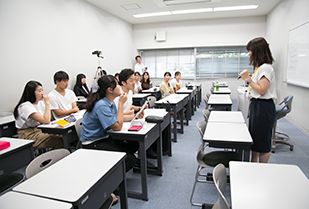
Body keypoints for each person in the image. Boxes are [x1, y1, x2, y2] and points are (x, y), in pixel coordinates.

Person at [79, 75, 136, 206]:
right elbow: (117, 126)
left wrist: (134, 116)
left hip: (103, 138)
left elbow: (116, 119)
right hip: (92, 144)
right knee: (130, 159)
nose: (119, 87)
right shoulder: (101, 105)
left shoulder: (107, 102)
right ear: (110, 90)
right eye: (116, 85)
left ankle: (111, 176)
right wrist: (121, 104)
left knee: (132, 145)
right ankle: (108, 185)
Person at [239, 37, 277, 163]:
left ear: (257, 50)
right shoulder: (260, 67)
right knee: (255, 138)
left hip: (263, 107)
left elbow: (262, 90)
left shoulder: (265, 68)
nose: (249, 53)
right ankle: (253, 164)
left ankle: (261, 168)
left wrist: (247, 79)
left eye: (250, 50)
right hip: (257, 105)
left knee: (263, 140)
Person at [114, 69, 158, 160]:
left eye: (134, 79)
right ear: (123, 82)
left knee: (148, 125)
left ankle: (146, 151)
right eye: (131, 80)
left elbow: (130, 106)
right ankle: (140, 158)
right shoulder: (117, 95)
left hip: (129, 120)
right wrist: (130, 114)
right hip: (121, 124)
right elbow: (115, 115)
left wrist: (139, 108)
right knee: (142, 130)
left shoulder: (129, 92)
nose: (134, 82)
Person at [14, 81, 63, 149]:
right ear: (31, 93)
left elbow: (46, 118)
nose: (42, 93)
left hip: (39, 130)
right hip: (29, 135)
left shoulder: (39, 103)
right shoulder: (25, 106)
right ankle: (55, 157)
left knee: (62, 135)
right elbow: (46, 120)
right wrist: (47, 103)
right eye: (39, 91)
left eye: (42, 90)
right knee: (59, 140)